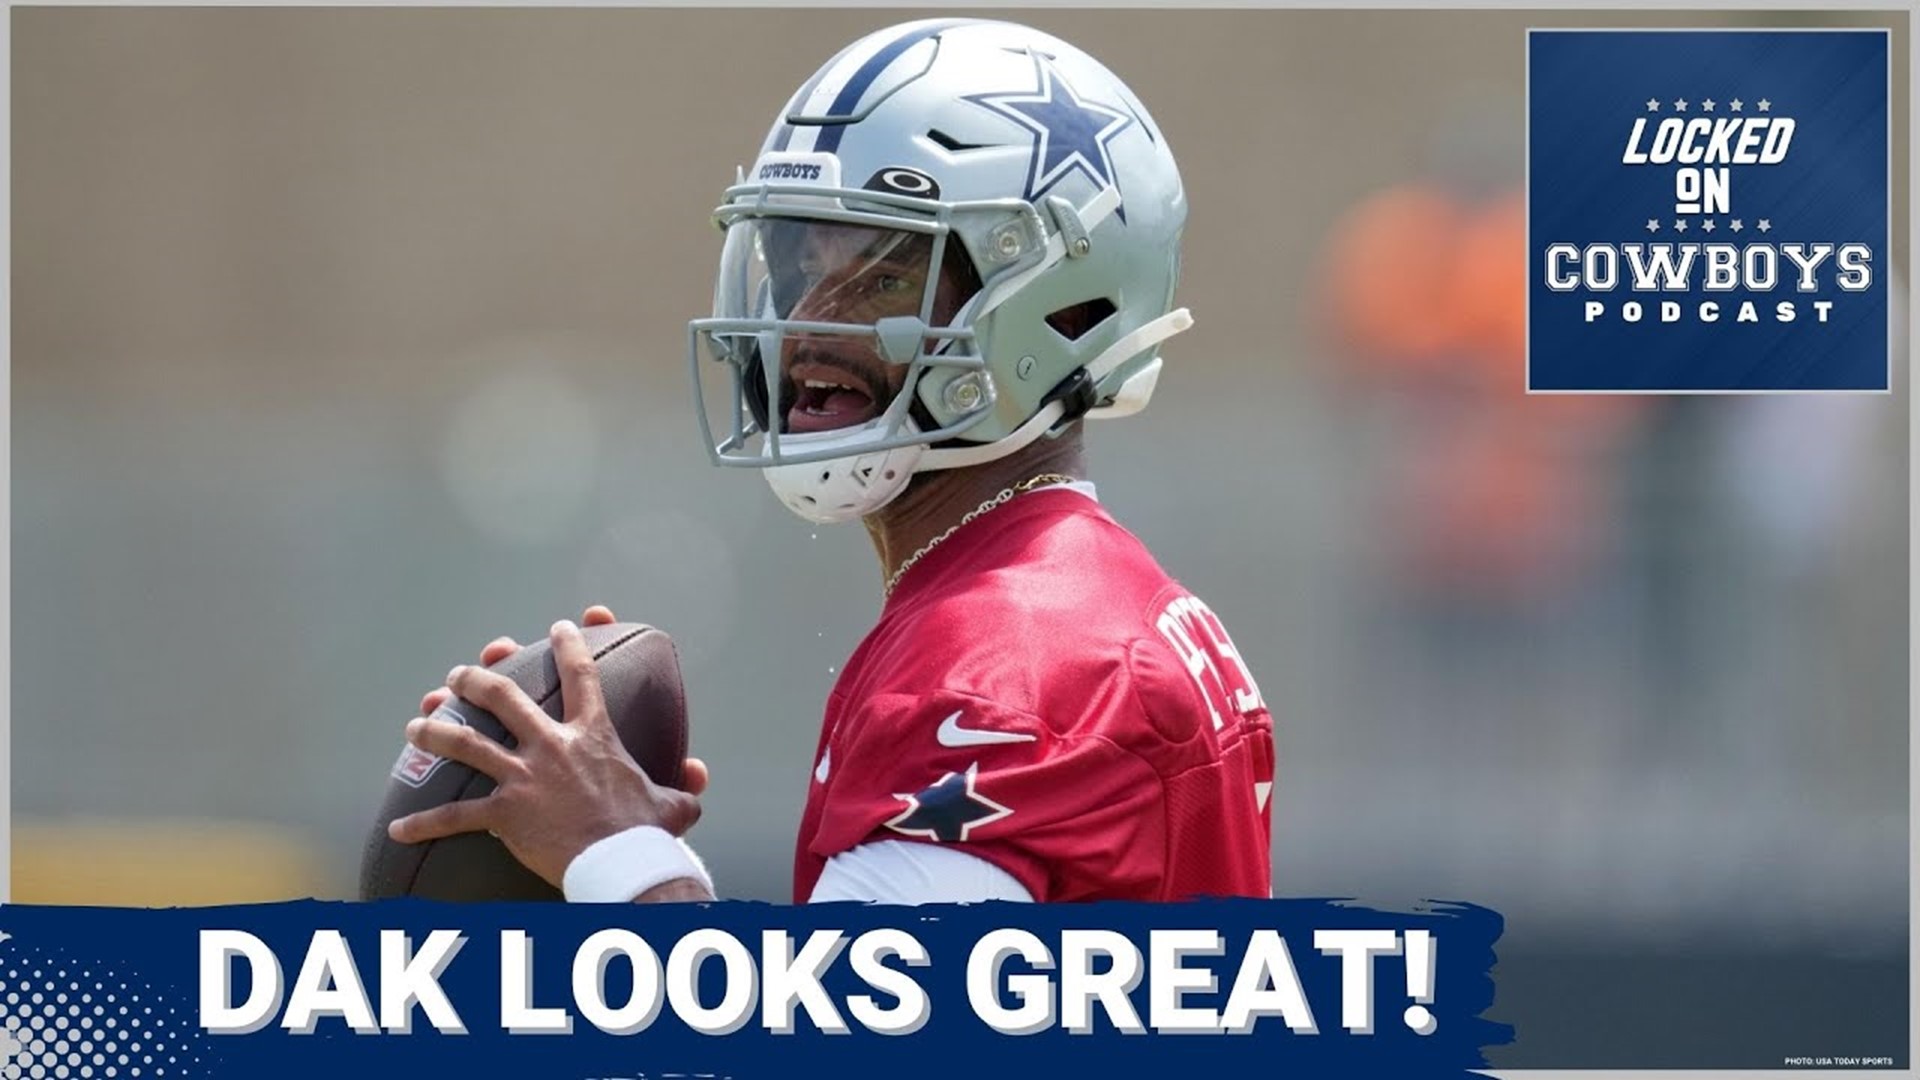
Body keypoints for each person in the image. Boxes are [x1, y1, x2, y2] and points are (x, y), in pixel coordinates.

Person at [388, 18, 1274, 905]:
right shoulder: (1089, 602)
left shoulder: (1002, 672)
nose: (807, 324)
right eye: (798, 265)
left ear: (1065, 313)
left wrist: (613, 851)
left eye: (885, 277)